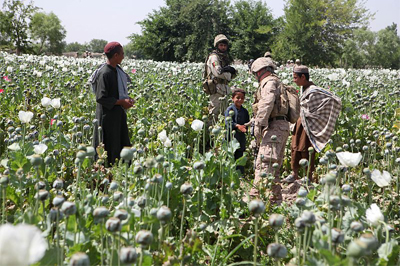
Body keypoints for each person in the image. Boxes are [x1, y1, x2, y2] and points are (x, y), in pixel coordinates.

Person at [286, 65, 341, 183]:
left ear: (303, 77)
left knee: (306, 149)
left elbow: (333, 99)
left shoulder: (314, 90)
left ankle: (308, 177)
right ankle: (294, 174)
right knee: (295, 149)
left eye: (296, 78)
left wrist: (312, 114)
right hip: (299, 123)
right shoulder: (303, 89)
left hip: (308, 125)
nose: (294, 80)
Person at [250, 57, 290, 202]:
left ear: (260, 71)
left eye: (255, 73)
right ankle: (275, 200)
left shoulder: (269, 82)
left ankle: (255, 200)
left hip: (274, 127)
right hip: (281, 127)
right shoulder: (277, 82)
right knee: (274, 167)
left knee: (264, 164)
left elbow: (267, 103)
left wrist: (259, 125)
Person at [90, 42, 134, 166]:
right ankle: (108, 171)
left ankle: (119, 169)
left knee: (119, 143)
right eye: (122, 54)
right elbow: (101, 98)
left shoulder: (116, 71)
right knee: (109, 145)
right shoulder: (105, 73)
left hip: (117, 116)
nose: (123, 57)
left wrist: (127, 100)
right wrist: (121, 102)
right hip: (107, 118)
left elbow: (118, 94)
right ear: (115, 55)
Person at [206, 34, 236, 127]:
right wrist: (229, 73)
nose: (223, 47)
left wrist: (230, 71)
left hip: (224, 89)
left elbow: (232, 75)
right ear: (217, 46)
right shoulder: (214, 57)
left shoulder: (224, 57)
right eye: (221, 45)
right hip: (216, 89)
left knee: (224, 114)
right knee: (214, 114)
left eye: (225, 45)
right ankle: (209, 137)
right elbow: (218, 72)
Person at [224, 88, 250, 174]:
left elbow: (247, 122)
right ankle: (228, 173)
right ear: (232, 98)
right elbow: (228, 122)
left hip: (241, 137)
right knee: (230, 154)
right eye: (237, 98)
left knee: (240, 155)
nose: (240, 100)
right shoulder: (229, 110)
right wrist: (237, 126)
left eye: (242, 98)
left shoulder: (245, 111)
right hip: (230, 137)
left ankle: (239, 175)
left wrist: (245, 128)